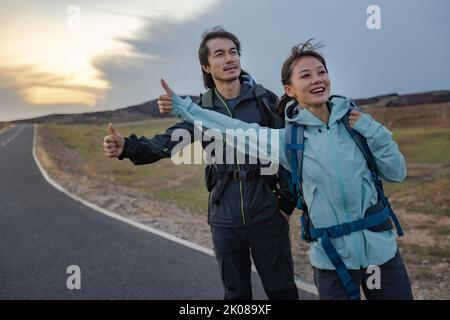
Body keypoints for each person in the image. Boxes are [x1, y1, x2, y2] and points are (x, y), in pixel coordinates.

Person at [160, 39, 414, 300]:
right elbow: (233, 129)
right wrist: (185, 108)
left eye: (321, 72)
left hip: (380, 255)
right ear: (290, 89)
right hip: (333, 261)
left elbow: (396, 172)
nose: (317, 79)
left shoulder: (357, 126)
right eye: (306, 75)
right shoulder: (287, 141)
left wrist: (374, 131)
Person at [102, 27, 299, 300]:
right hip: (224, 219)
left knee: (283, 292)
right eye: (220, 54)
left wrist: (286, 205)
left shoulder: (265, 101)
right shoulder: (201, 109)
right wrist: (128, 147)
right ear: (206, 66)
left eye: (234, 52)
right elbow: (167, 143)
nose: (230, 58)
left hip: (267, 215)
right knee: (236, 296)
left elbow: (289, 154)